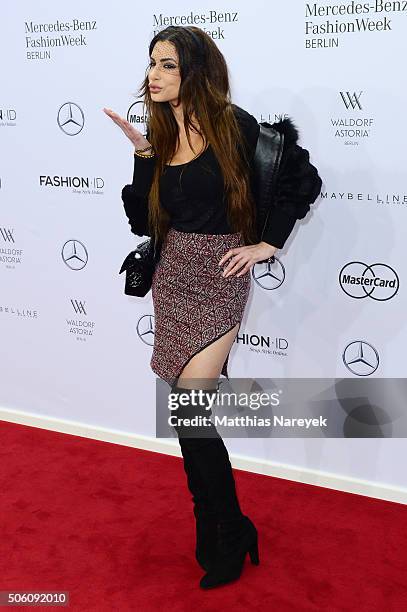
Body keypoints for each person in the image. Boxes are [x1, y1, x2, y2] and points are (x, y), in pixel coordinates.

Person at [104, 25, 321, 589]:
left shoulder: (234, 125)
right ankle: (228, 528)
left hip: (220, 274)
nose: (154, 74)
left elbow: (303, 180)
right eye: (152, 63)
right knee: (186, 417)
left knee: (191, 414)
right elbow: (141, 220)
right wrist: (144, 157)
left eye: (169, 65)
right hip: (173, 274)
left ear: (195, 71)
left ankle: (226, 532)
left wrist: (267, 243)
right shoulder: (159, 130)